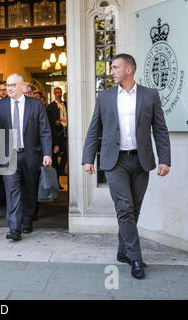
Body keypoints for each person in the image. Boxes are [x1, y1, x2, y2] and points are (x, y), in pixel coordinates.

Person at [82, 53, 171, 279]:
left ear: (128, 69)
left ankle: (123, 251)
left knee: (134, 209)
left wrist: (165, 159)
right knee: (124, 208)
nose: (111, 71)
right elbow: (94, 129)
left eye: (115, 67)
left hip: (141, 161)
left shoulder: (150, 96)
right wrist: (87, 158)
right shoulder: (105, 97)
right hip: (115, 161)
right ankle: (136, 258)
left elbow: (160, 129)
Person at [0, 73, 52, 241]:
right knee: (12, 191)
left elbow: (45, 130)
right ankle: (14, 227)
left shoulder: (36, 104)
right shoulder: (0, 105)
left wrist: (47, 153)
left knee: (30, 189)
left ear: (21, 86)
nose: (9, 88)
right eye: (8, 85)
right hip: (8, 153)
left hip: (31, 153)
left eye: (12, 85)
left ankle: (27, 219)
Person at [47, 87, 68, 189]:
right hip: (57, 135)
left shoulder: (66, 104)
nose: (58, 94)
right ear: (54, 94)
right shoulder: (51, 106)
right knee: (55, 159)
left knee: (67, 153)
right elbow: (50, 123)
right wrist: (56, 122)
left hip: (66, 132)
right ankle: (58, 177)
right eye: (56, 93)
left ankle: (61, 170)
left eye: (60, 92)